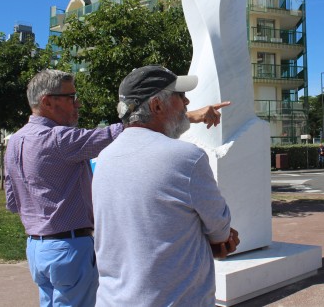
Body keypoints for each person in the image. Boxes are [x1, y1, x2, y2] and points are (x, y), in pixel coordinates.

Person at [4, 69, 229, 307]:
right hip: (69, 248)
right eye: (71, 97)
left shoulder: (16, 141)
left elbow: (11, 201)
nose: (78, 103)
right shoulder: (59, 139)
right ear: (47, 101)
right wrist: (188, 116)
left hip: (36, 249)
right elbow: (125, 130)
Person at [92, 65, 238, 306]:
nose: (187, 101)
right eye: (180, 96)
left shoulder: (105, 158)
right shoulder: (187, 157)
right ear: (157, 105)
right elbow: (221, 233)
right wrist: (218, 241)